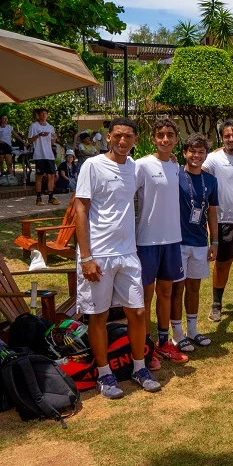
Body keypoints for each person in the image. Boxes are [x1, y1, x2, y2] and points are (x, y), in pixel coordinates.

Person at [75, 117, 160, 398]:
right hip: (98, 254)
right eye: (118, 136)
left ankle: (139, 368)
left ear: (135, 140)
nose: (123, 141)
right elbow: (80, 209)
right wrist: (86, 257)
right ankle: (104, 374)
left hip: (128, 253)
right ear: (108, 137)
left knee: (137, 312)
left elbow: (162, 164)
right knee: (98, 316)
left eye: (128, 136)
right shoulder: (92, 166)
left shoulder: (135, 167)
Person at [135, 117, 187, 365]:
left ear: (176, 139)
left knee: (166, 292)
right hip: (147, 241)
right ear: (153, 138)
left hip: (172, 239)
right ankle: (147, 348)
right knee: (146, 296)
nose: (165, 139)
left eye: (170, 135)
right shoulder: (142, 166)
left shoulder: (175, 166)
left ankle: (164, 343)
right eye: (160, 135)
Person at [170, 133, 220, 353]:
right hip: (177, 241)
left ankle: (192, 330)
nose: (196, 156)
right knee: (177, 288)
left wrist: (214, 241)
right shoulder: (175, 174)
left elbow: (212, 213)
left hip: (199, 241)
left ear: (206, 155)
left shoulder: (211, 180)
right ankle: (176, 334)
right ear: (184, 153)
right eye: (192, 151)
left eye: (201, 152)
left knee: (194, 287)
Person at [203, 119, 233, 322]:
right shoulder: (214, 159)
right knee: (222, 264)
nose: (231, 139)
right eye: (227, 136)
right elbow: (197, 170)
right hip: (223, 221)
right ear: (222, 138)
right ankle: (216, 304)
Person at [28, 108, 59, 206]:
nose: (44, 115)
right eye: (42, 113)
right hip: (39, 155)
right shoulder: (34, 126)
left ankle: (51, 197)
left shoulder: (50, 127)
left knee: (51, 176)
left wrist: (55, 138)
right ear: (39, 115)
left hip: (49, 155)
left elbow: (52, 142)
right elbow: (29, 140)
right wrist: (39, 135)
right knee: (39, 176)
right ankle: (38, 198)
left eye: (45, 113)